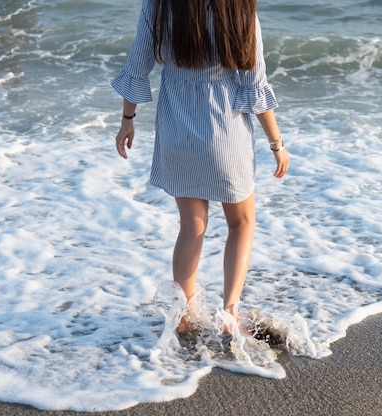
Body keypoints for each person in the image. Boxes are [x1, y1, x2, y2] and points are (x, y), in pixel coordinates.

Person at [112, 0, 289, 334]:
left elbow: (138, 66)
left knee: (192, 227)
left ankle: (185, 316)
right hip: (226, 128)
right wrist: (276, 143)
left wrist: (127, 121)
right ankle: (230, 312)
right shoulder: (238, 6)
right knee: (242, 222)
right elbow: (253, 80)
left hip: (177, 128)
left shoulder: (160, 3)